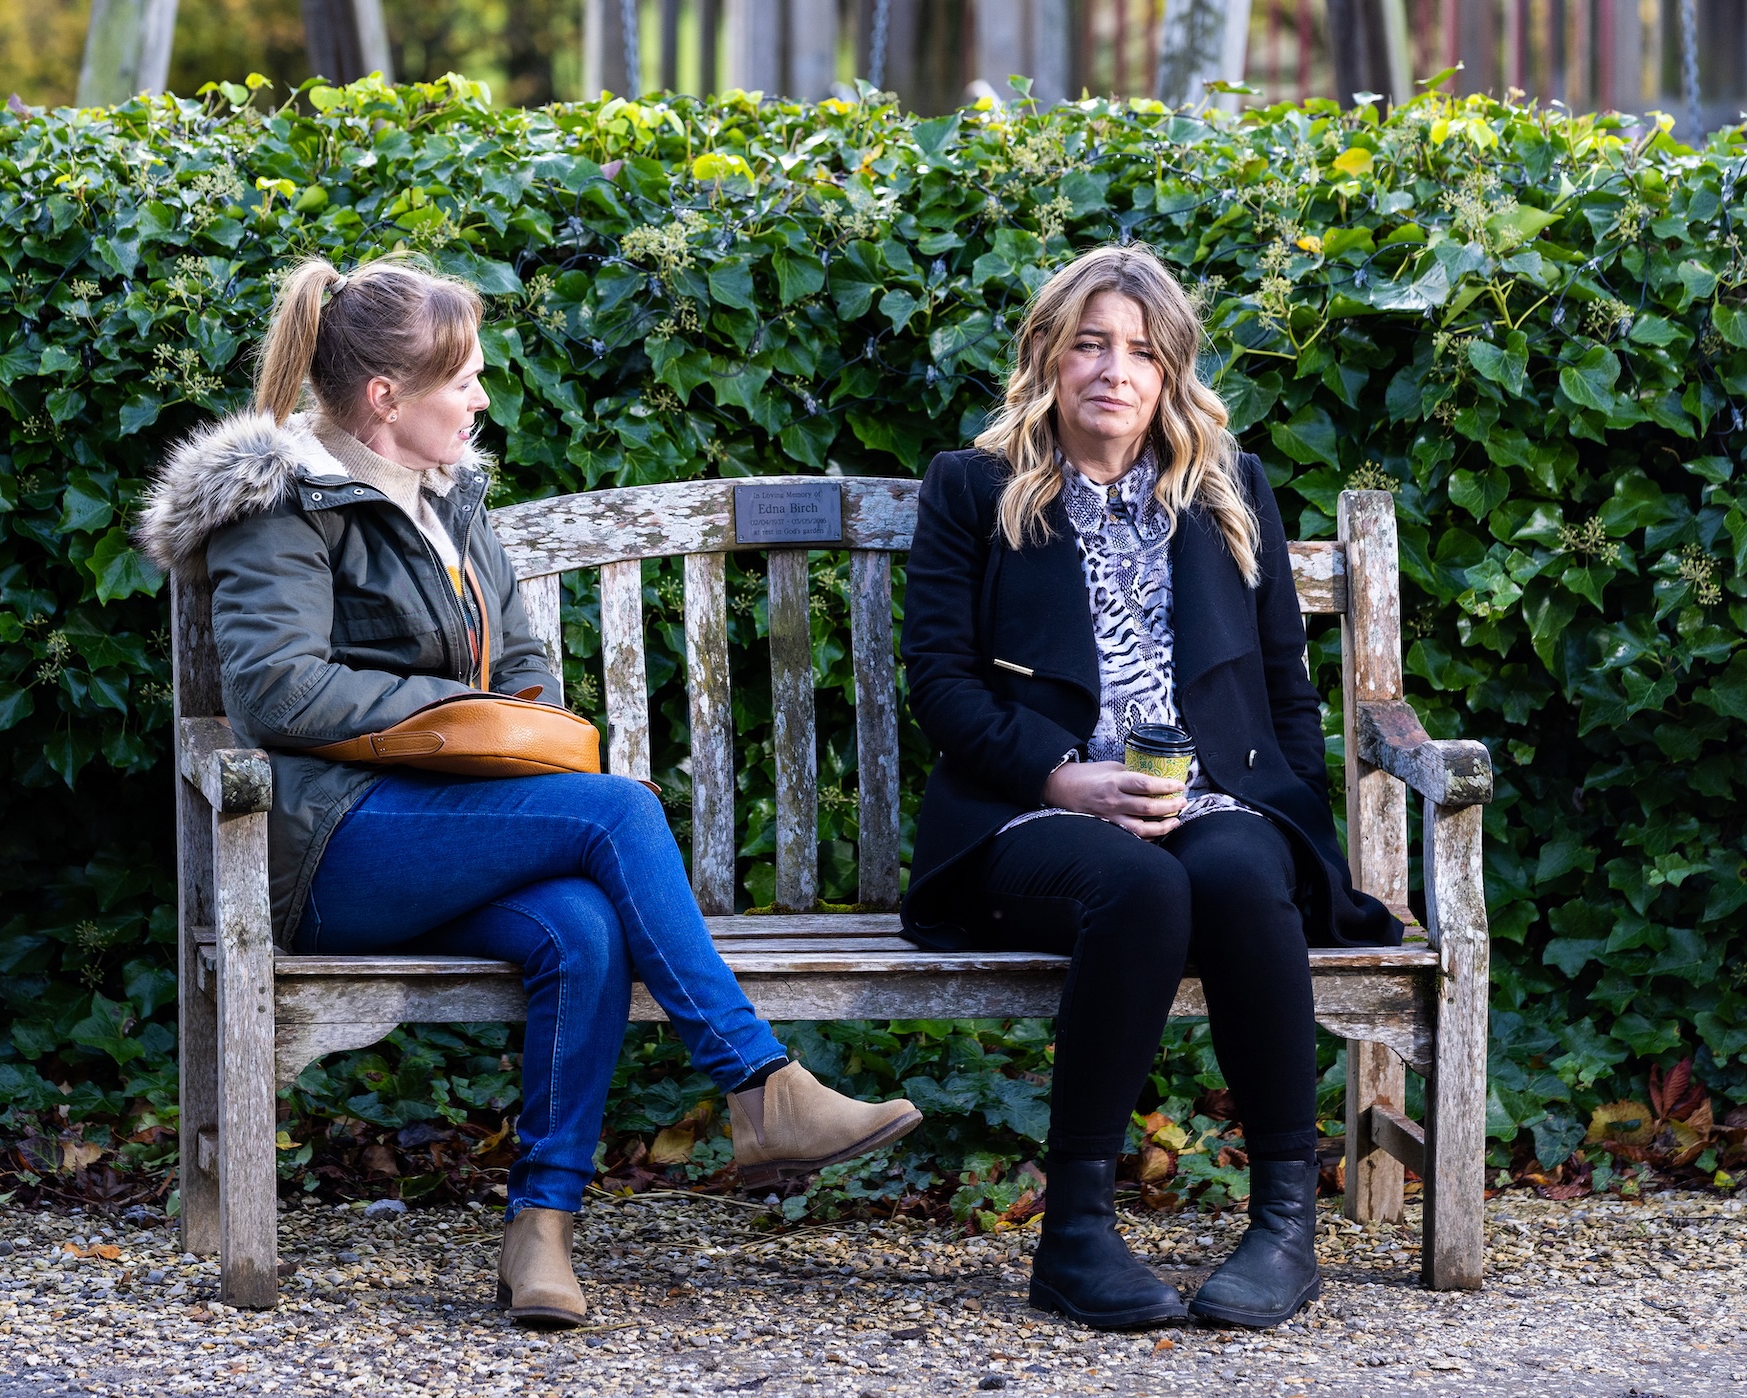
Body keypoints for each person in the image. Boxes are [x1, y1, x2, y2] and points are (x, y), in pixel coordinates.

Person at [136, 253, 921, 1329]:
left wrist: (497, 727)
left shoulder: (451, 501)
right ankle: (759, 1085)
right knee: (624, 808)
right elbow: (276, 689)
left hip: (450, 836)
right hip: (328, 849)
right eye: (463, 381)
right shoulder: (285, 507)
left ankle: (539, 1229)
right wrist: (441, 725)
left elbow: (524, 667)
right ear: (385, 399)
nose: (482, 398)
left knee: (583, 926)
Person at [898, 245, 1400, 1331]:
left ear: (1170, 373)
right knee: (1139, 887)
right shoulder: (973, 489)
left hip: (1212, 797)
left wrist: (1287, 812)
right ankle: (1075, 1233)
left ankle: (1281, 1224)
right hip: (1032, 813)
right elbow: (937, 682)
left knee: (1231, 874)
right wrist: (1056, 775)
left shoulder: (1227, 489)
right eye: (1088, 344)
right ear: (1046, 359)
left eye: (1139, 351)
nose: (1112, 371)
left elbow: (1280, 682)